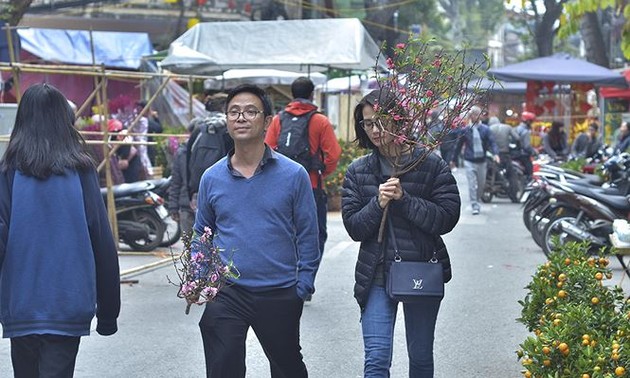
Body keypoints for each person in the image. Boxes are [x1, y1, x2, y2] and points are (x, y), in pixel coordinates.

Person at [193, 84, 320, 378]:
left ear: (267, 121)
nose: (241, 117)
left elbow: (307, 234)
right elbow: (203, 233)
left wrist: (302, 285)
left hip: (279, 291)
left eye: (251, 111)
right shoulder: (211, 178)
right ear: (226, 120)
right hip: (227, 292)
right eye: (234, 112)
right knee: (222, 366)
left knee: (287, 367)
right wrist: (201, 280)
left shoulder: (293, 175)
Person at [0, 83, 121, 377]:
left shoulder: (8, 172)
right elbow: (101, 239)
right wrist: (108, 312)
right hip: (68, 302)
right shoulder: (81, 170)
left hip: (21, 306)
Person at [341, 88, 461, 377]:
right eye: (368, 123)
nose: (374, 130)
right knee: (377, 359)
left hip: (420, 269)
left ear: (399, 119)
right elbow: (354, 227)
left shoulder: (429, 163)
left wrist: (404, 200)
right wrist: (378, 202)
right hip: (376, 274)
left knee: (420, 357)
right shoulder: (359, 171)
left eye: (381, 121)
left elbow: (447, 218)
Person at [265, 76, 341, 259]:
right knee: (315, 234)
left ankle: (288, 275)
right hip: (312, 184)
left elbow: (267, 148)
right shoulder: (320, 121)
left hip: (281, 185)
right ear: (312, 94)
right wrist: (322, 172)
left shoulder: (278, 119)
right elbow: (334, 154)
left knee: (284, 233)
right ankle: (306, 275)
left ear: (292, 94)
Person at [186, 93, 232, 211]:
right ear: (224, 107)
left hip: (200, 188)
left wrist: (191, 192)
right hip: (226, 189)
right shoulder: (230, 130)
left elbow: (188, 161)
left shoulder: (199, 129)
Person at [451, 105, 499, 215]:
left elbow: (492, 142)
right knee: (472, 184)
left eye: (478, 114)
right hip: (469, 161)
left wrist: (496, 154)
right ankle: (474, 205)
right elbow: (458, 146)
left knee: (481, 185)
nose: (476, 116)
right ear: (470, 116)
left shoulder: (486, 130)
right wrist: (454, 160)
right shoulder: (465, 130)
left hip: (482, 161)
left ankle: (477, 199)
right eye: (474, 114)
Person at [169, 125, 195, 236]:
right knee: (189, 246)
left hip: (205, 207)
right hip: (186, 207)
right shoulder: (182, 153)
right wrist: (173, 206)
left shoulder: (210, 151)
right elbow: (176, 182)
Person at [488, 116, 520, 200]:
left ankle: (502, 183)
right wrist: (517, 148)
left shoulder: (489, 128)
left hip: (493, 155)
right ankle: (512, 192)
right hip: (505, 154)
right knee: (511, 174)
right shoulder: (507, 127)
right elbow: (517, 138)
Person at [515, 111, 537, 180]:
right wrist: (534, 152)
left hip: (515, 155)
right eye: (531, 121)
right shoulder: (525, 131)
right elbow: (527, 146)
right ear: (528, 121)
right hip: (523, 156)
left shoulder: (516, 129)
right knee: (529, 173)